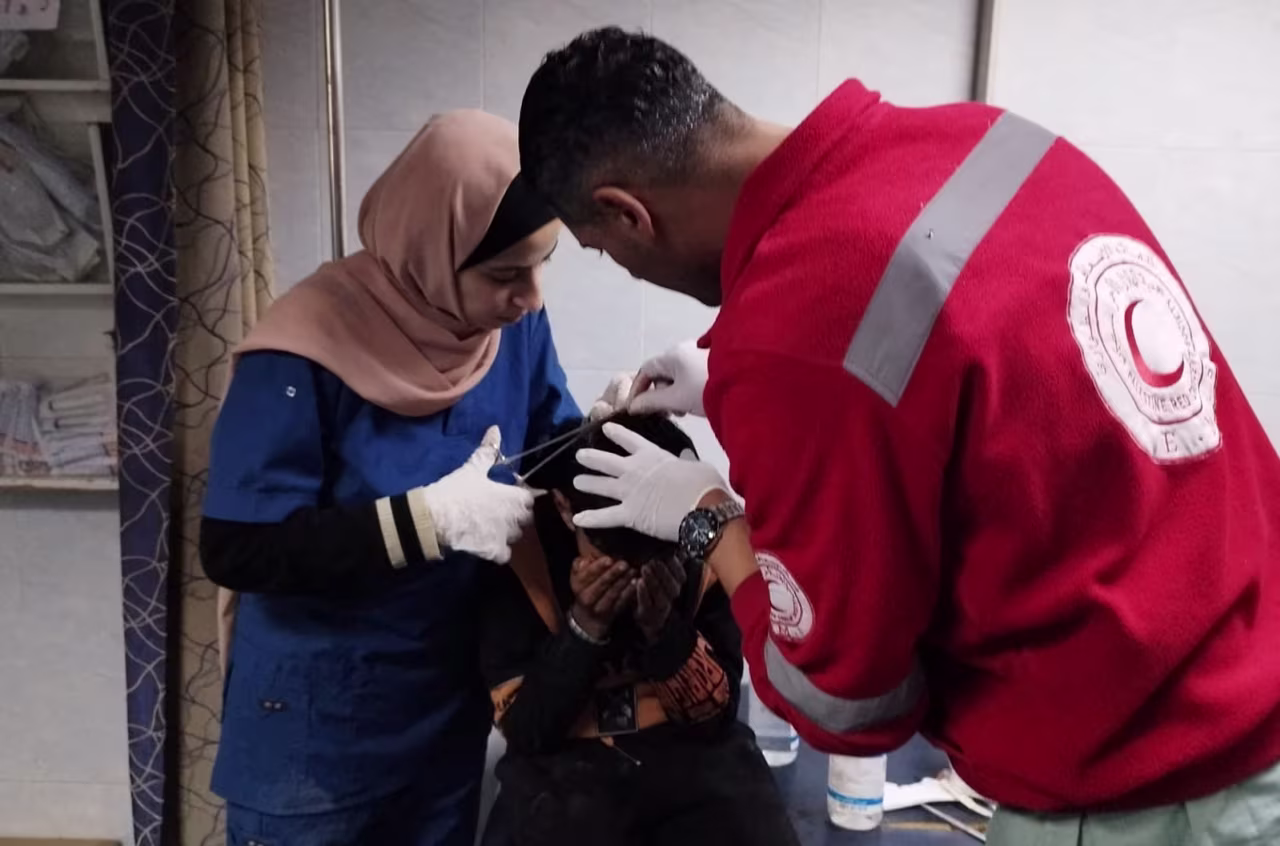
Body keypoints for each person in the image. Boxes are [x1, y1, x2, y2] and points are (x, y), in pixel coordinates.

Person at [515, 27, 1280, 846]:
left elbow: (841, 704)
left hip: (1163, 791)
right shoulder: (985, 140)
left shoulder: (798, 329)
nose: (626, 268)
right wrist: (742, 395)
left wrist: (710, 517)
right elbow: (987, 384)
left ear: (626, 213)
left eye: (605, 252)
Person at [201, 110, 589, 846]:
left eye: (544, 263)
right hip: (318, 730)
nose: (532, 295)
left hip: (444, 710)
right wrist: (423, 522)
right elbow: (237, 547)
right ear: (434, 252)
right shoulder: (300, 354)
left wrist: (623, 434)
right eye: (506, 274)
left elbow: (550, 443)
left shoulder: (508, 329)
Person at [478, 412, 799, 846]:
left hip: (688, 749)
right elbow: (527, 732)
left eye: (652, 561)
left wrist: (665, 631)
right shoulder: (521, 552)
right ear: (565, 508)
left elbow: (716, 719)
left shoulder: (702, 541)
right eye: (610, 559)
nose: (633, 579)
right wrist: (584, 628)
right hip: (564, 757)